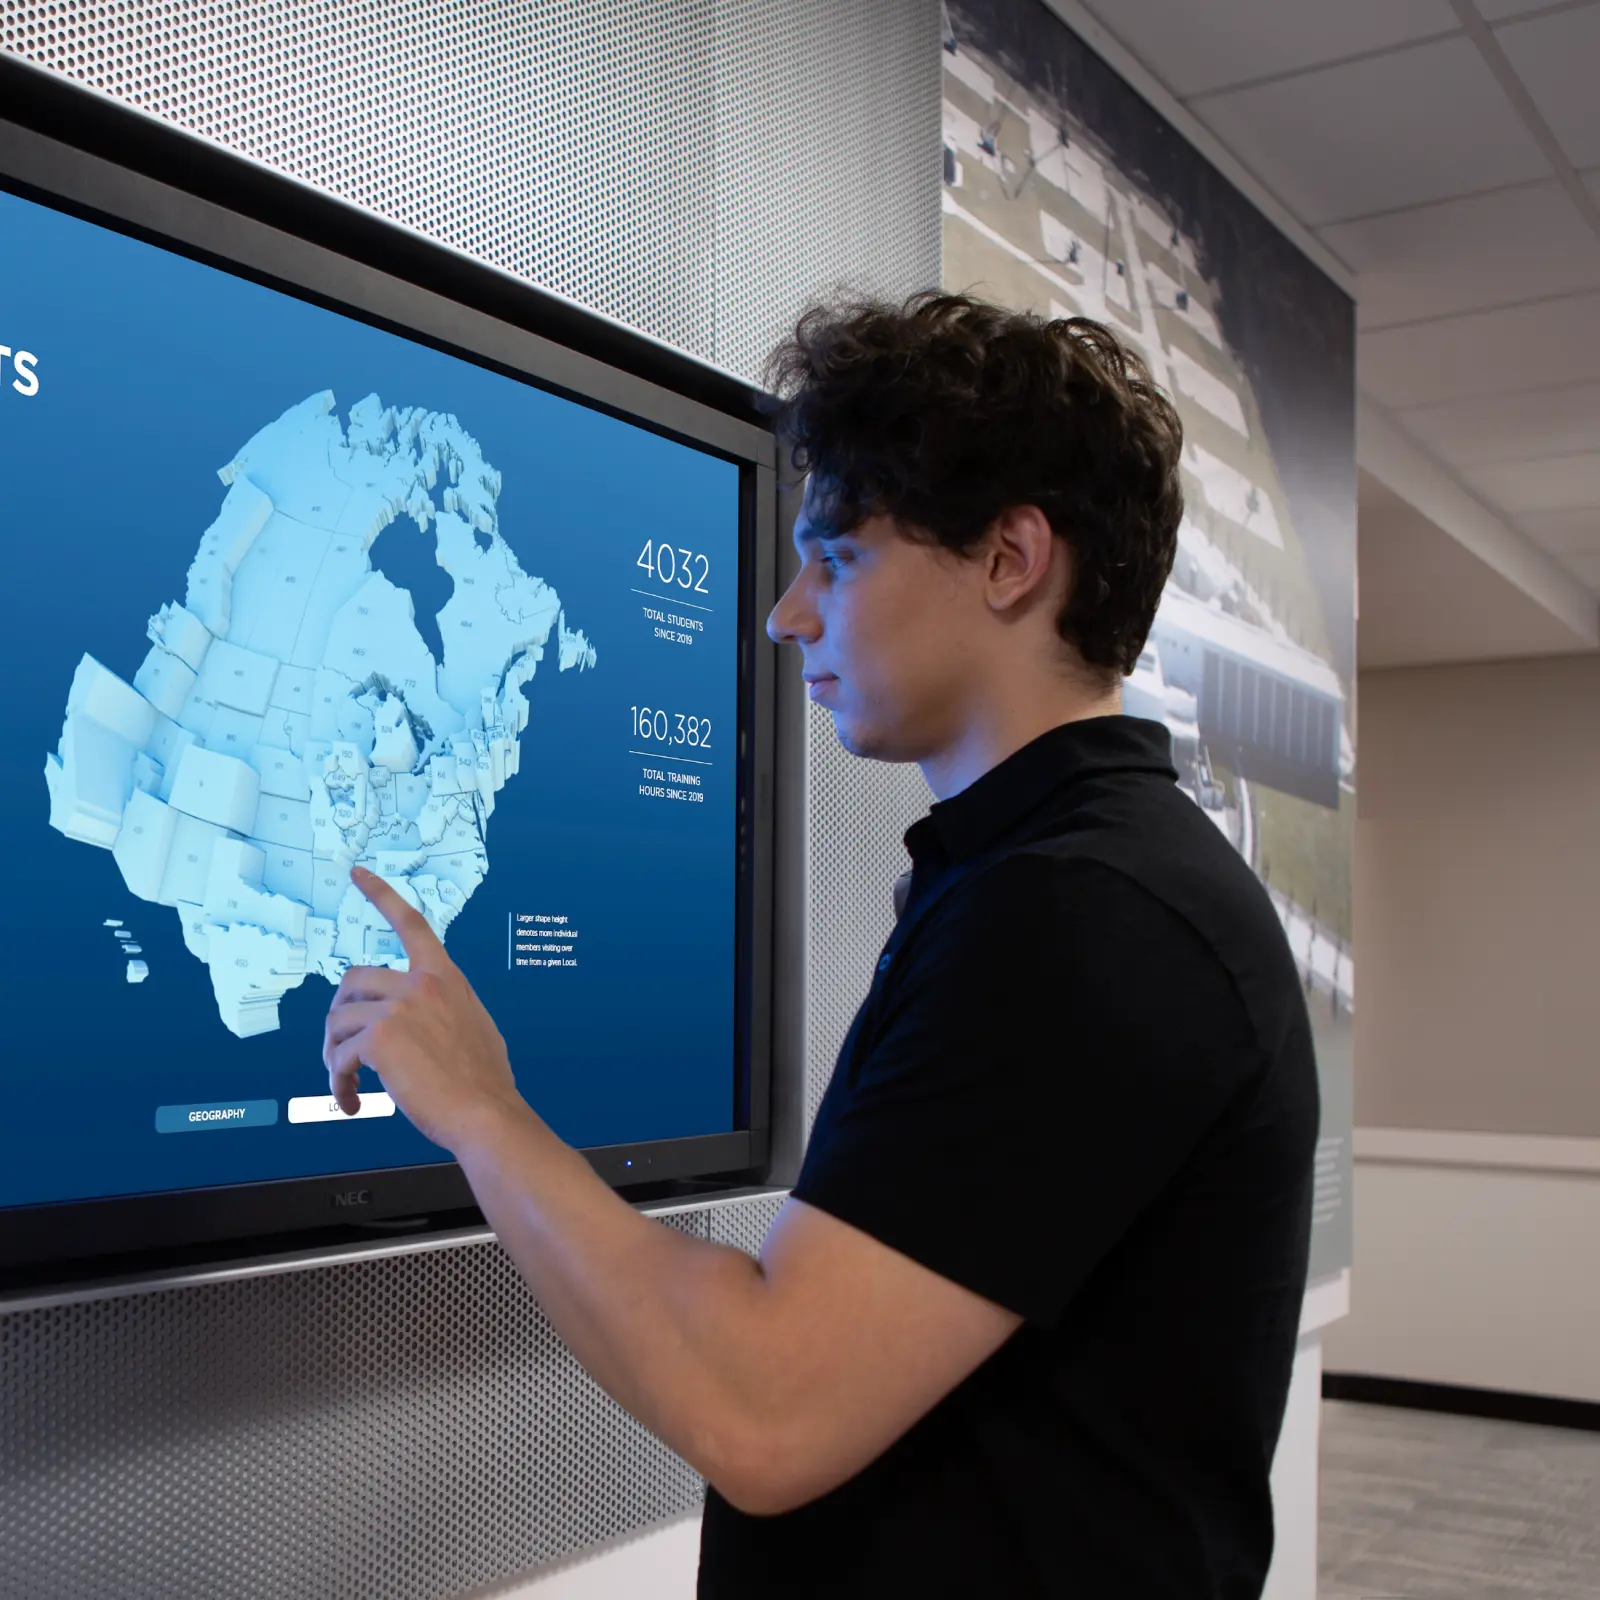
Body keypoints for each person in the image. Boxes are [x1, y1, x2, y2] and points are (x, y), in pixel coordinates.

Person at [325, 292, 1319, 1598]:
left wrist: (481, 1109)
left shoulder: (1089, 917)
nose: (787, 615)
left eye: (837, 560)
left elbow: (763, 1409)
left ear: (1011, 559)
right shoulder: (1067, 882)